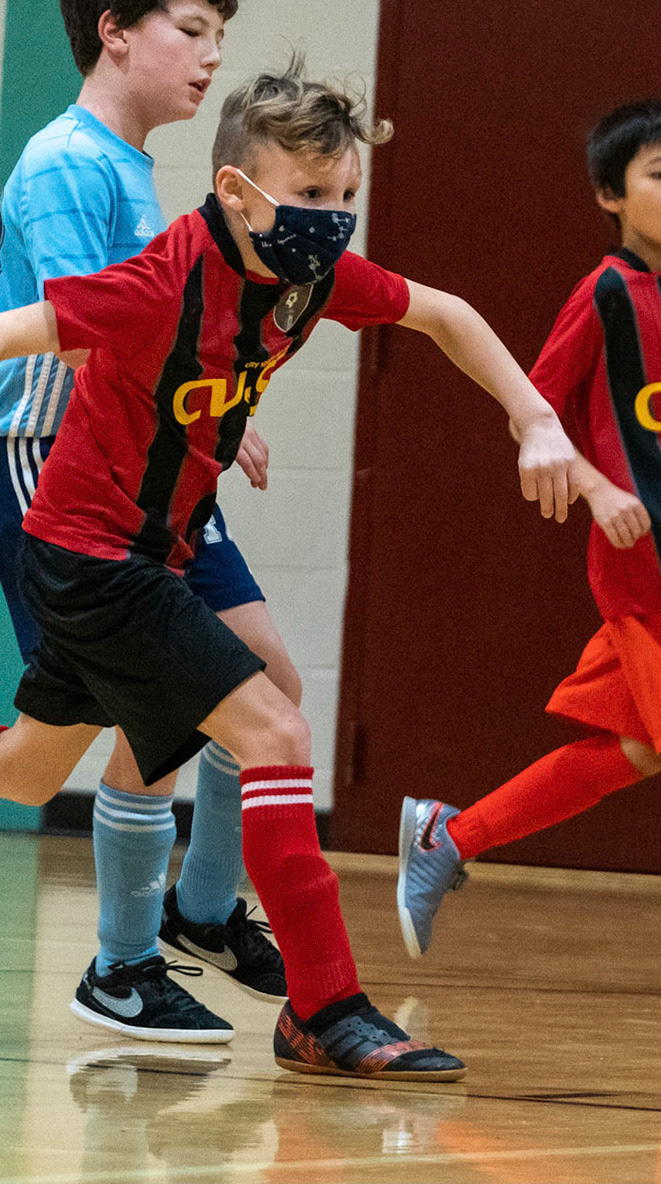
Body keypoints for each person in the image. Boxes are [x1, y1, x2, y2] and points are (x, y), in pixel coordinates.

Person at [0, 56, 581, 1080]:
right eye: (311, 194)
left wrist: (535, 418)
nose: (334, 215)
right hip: (91, 555)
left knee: (26, 771)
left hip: (149, 552)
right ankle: (324, 1007)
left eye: (346, 194)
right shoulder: (160, 281)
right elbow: (26, 330)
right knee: (275, 717)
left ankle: (219, 937)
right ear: (238, 190)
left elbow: (445, 314)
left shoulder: (310, 280)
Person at [394, 99, 661, 1001]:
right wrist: (595, 488)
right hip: (644, 554)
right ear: (611, 194)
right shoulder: (602, 295)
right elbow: (535, 415)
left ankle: (450, 835)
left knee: (635, 751)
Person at [0, 0, 290, 1045]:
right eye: (192, 29)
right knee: (40, 768)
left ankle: (195, 916)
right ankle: (129, 960)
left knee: (262, 676)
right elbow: (91, 338)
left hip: (159, 471)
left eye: (220, 33)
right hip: (62, 471)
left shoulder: (127, 163)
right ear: (116, 34)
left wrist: (219, 417)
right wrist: (207, 407)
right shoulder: (68, 163)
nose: (212, 55)